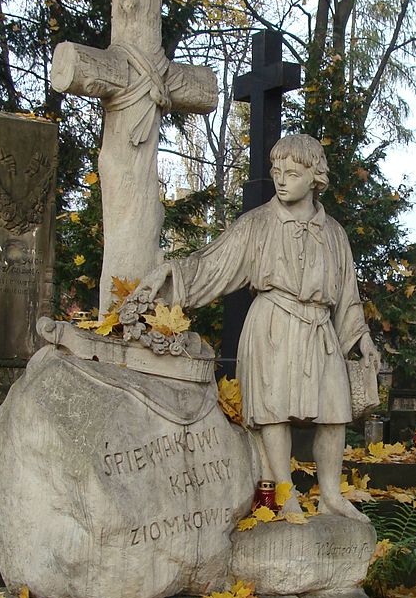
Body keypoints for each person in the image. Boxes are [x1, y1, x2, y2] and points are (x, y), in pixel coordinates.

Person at [135, 134, 380, 521]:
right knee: (274, 412)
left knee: (335, 412)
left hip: (319, 327)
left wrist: (361, 337)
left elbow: (347, 293)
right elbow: (214, 263)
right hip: (273, 324)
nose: (281, 180)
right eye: (276, 172)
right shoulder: (258, 224)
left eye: (292, 173)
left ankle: (331, 493)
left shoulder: (334, 233)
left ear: (315, 177)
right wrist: (171, 275)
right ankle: (284, 495)